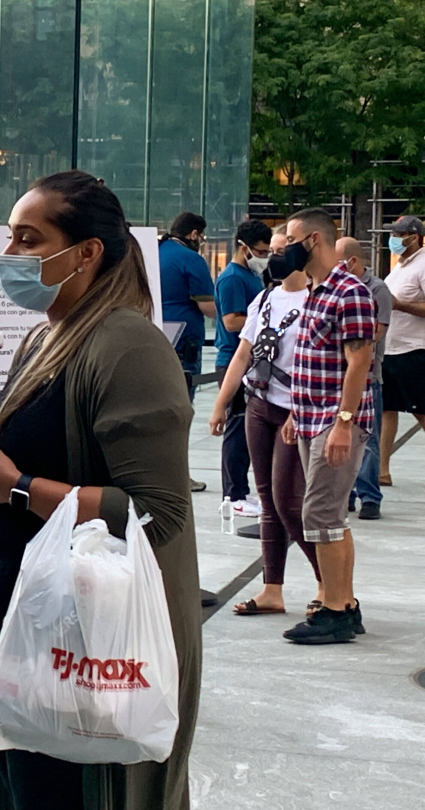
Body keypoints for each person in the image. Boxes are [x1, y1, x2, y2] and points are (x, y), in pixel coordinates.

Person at [0, 171, 200, 810]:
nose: (10, 255)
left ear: (87, 252)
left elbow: (156, 512)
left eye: (29, 240)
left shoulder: (127, 346)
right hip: (20, 621)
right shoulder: (46, 336)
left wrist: (17, 488)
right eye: (10, 237)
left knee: (63, 792)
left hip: (76, 638)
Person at [210, 230, 322, 616]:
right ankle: (272, 589)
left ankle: (329, 581)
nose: (272, 258)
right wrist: (221, 404)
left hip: (295, 409)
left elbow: (322, 364)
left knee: (289, 501)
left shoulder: (317, 300)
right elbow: (243, 354)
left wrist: (300, 410)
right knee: (269, 502)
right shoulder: (265, 298)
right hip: (259, 404)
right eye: (269, 251)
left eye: (279, 251)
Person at [280, 208, 374, 645]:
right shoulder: (316, 291)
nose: (285, 249)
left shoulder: (349, 292)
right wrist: (295, 413)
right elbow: (313, 360)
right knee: (331, 515)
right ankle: (345, 603)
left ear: (313, 240)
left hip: (334, 420)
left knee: (319, 513)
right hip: (312, 416)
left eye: (291, 240)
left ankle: (334, 610)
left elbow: (360, 361)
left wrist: (344, 422)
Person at [212, 220, 270, 519]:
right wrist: (266, 319)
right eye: (260, 251)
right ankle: (233, 494)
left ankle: (241, 491)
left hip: (251, 360)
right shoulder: (233, 278)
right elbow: (231, 321)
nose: (264, 257)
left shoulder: (251, 275)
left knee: (247, 430)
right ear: (244, 247)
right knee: (236, 429)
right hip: (233, 359)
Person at [159, 211, 215, 493]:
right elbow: (208, 306)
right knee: (181, 411)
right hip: (184, 344)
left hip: (154, 338)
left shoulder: (155, 252)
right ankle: (179, 474)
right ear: (194, 234)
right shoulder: (191, 259)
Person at [337, 238, 391, 520]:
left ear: (353, 261)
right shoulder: (334, 288)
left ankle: (369, 496)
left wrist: (348, 340)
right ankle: (345, 494)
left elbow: (377, 332)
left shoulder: (377, 289)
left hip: (368, 376)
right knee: (340, 436)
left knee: (367, 439)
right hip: (338, 376)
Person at [379, 215, 425, 487]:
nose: (394, 239)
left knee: (421, 410)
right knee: (387, 409)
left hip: (414, 350)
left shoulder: (423, 265)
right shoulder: (399, 266)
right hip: (391, 350)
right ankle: (382, 470)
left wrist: (400, 305)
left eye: (399, 234)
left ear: (414, 237)